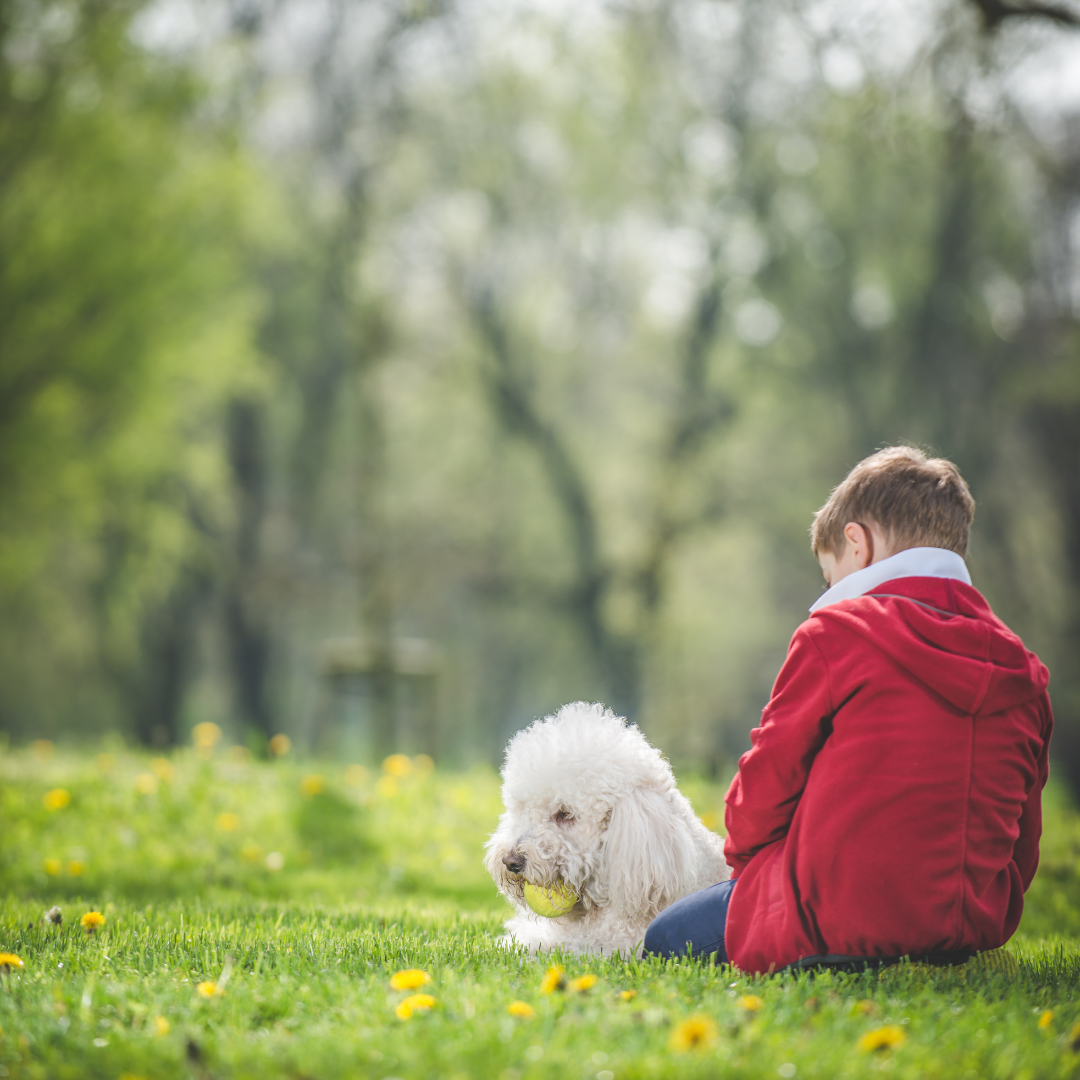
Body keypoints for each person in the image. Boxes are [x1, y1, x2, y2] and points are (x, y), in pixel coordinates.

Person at [643, 446, 1052, 973]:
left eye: (829, 575)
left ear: (857, 544)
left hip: (830, 922)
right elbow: (1025, 839)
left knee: (665, 938)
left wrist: (750, 877)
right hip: (965, 927)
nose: (829, 591)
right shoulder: (1025, 672)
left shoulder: (837, 634)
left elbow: (763, 791)